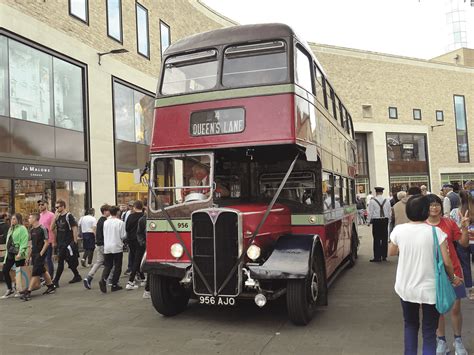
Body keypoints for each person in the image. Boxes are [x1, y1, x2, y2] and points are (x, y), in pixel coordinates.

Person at [389, 195, 454, 354]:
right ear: (426, 212)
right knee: (429, 331)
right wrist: (452, 278)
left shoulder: (399, 230)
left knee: (410, 325)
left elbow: (391, 252)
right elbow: (447, 262)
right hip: (430, 289)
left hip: (406, 287)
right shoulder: (436, 232)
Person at [425, 194, 469, 355]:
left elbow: (463, 244)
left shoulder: (449, 223)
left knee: (455, 308)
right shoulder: (422, 226)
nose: (434, 207)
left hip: (454, 271)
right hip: (432, 274)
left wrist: (464, 227)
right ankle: (441, 341)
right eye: (431, 205)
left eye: (437, 204)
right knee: (438, 310)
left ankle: (458, 340)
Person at [20, 213, 56, 301]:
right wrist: (28, 256)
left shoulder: (43, 229)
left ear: (35, 219)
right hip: (34, 254)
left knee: (35, 272)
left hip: (40, 254)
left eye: (30, 218)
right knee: (42, 269)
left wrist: (41, 253)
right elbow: (32, 245)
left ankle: (28, 292)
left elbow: (47, 242)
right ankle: (51, 286)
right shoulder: (32, 230)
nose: (28, 219)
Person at [450, 188, 474, 300]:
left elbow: (453, 226)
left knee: (465, 265)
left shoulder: (455, 211)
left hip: (461, 240)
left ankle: (470, 289)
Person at [51, 199, 81, 287]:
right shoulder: (57, 217)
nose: (56, 209)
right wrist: (54, 218)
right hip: (61, 243)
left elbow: (74, 228)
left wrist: (75, 241)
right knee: (67, 261)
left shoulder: (69, 216)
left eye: (58, 207)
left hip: (68, 243)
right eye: (55, 207)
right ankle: (77, 275)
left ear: (63, 207)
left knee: (62, 262)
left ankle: (56, 281)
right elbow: (51, 228)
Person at [99, 205, 126, 293]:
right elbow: (123, 235)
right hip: (117, 246)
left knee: (108, 265)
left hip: (107, 246)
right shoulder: (120, 222)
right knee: (117, 266)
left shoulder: (106, 222)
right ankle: (114, 284)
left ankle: (103, 279)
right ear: (117, 212)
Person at [1, 214, 28, 299]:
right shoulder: (11, 229)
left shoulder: (22, 229)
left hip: (18, 253)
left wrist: (21, 253)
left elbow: (24, 241)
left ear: (18, 220)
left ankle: (19, 289)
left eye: (14, 219)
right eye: (11, 219)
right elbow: (8, 242)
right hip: (10, 253)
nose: (12, 220)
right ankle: (9, 289)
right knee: (5, 270)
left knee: (19, 272)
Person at [83, 204, 110, 289]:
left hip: (99, 244)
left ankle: (89, 277)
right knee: (109, 263)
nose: (110, 212)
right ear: (105, 211)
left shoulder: (100, 220)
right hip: (103, 244)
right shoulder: (104, 221)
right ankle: (107, 280)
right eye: (109, 210)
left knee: (99, 261)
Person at [367, 187, 391, 262]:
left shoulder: (372, 201)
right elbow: (389, 211)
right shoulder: (387, 200)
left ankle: (377, 257)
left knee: (376, 238)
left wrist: (368, 221)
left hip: (376, 220)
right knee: (384, 238)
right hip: (385, 220)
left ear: (376, 192)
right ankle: (384, 256)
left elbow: (370, 212)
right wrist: (389, 220)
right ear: (382, 192)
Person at [125, 200, 145, 290]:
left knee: (136, 259)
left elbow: (127, 228)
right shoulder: (144, 217)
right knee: (137, 260)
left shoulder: (130, 216)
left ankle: (143, 278)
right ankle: (130, 281)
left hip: (131, 240)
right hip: (140, 241)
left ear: (134, 207)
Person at [38, 200, 55, 279]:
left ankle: (50, 277)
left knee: (48, 259)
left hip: (49, 240)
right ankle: (43, 276)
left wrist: (54, 240)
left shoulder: (51, 215)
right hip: (41, 241)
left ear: (47, 205)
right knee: (41, 259)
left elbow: (54, 228)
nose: (40, 206)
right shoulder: (39, 215)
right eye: (39, 205)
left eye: (42, 204)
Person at [136, 213, 150, 298]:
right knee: (150, 269)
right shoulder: (143, 220)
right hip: (149, 246)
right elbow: (139, 233)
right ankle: (147, 290)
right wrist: (143, 243)